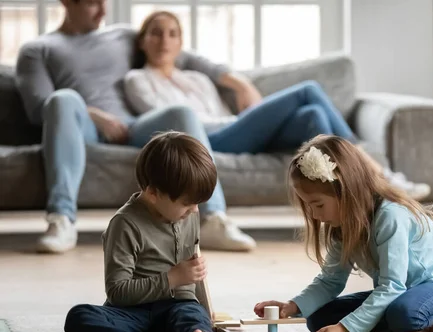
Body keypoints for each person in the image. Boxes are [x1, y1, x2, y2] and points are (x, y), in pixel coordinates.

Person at [15, 0, 259, 254]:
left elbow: (181, 55)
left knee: (181, 113)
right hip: (84, 126)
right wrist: (97, 116)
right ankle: (61, 219)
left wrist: (239, 83)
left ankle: (213, 218)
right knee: (62, 98)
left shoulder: (123, 37)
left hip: (134, 126)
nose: (102, 11)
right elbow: (39, 107)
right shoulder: (38, 49)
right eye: (92, 3)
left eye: (104, 2)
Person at [123, 11, 432, 199]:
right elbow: (168, 122)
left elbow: (224, 114)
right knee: (308, 91)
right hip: (208, 141)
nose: (164, 40)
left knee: (313, 116)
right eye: (156, 33)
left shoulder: (197, 78)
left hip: (234, 129)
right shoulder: (137, 79)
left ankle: (344, 199)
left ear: (180, 43)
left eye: (172, 34)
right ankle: (376, 172)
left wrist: (251, 118)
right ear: (142, 42)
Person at [254, 135, 433, 332]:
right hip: (402, 293)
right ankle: (397, 325)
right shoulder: (343, 225)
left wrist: (346, 330)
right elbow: (330, 282)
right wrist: (291, 307)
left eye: (318, 205)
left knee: (405, 315)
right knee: (319, 319)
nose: (314, 215)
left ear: (346, 192)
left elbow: (391, 286)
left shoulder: (391, 216)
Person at [64, 131, 222, 332]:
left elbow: (192, 281)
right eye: (187, 204)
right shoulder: (125, 224)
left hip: (177, 308)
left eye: (198, 203)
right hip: (131, 313)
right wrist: (172, 278)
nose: (195, 211)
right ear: (153, 194)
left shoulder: (188, 214)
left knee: (194, 318)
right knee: (79, 318)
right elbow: (117, 292)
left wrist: (205, 316)